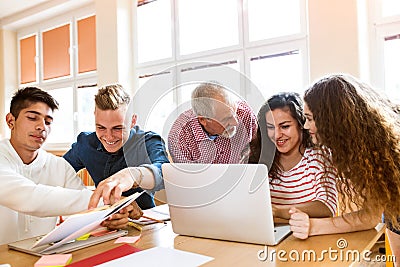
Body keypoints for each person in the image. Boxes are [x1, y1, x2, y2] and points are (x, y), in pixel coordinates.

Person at [288, 74, 400, 262]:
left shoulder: (382, 151)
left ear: (331, 120)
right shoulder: (363, 152)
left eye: (310, 118)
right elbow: (373, 215)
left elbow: (372, 217)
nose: (306, 126)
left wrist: (314, 226)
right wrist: (313, 227)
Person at [0, 87, 132, 245]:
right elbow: (31, 197)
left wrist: (112, 215)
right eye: (32, 118)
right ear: (10, 121)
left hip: (42, 255)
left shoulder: (59, 166)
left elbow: (89, 211)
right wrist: (110, 201)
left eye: (48, 122)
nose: (42, 127)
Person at [63, 84, 169, 210]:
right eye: (101, 127)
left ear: (133, 121)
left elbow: (164, 172)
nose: (109, 137)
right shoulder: (85, 144)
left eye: (118, 128)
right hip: (100, 221)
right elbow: (60, 172)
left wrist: (133, 175)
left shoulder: (148, 142)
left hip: (144, 221)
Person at [249, 92, 338, 220]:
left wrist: (276, 211)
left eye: (285, 126)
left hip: (308, 235)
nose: (277, 135)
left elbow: (327, 206)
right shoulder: (260, 159)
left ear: (302, 125)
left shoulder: (319, 157)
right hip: (269, 235)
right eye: (270, 127)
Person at [168, 82, 257, 164]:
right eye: (226, 119)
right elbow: (187, 178)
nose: (235, 123)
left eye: (235, 113)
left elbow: (257, 154)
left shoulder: (245, 115)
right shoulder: (179, 137)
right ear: (203, 120)